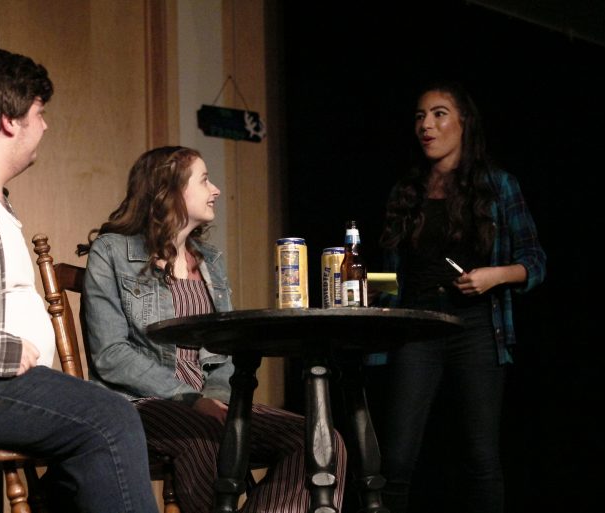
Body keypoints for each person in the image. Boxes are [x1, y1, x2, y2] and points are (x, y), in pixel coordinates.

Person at [0, 48, 159, 513]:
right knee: (108, 418)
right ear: (8, 121)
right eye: (39, 113)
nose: (45, 126)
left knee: (96, 434)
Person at [79, 145, 347, 513]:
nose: (216, 189)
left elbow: (227, 349)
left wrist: (218, 399)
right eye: (204, 180)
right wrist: (191, 399)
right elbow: (111, 355)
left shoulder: (210, 261)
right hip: (140, 403)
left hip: (207, 403)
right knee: (202, 434)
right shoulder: (111, 252)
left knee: (319, 440)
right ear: (170, 190)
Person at [377, 80, 546, 512]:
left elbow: (535, 261)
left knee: (480, 458)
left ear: (464, 122)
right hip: (417, 327)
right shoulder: (406, 190)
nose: (426, 125)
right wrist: (371, 306)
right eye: (420, 116)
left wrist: (494, 276)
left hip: (475, 327)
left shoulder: (498, 185)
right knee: (395, 459)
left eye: (439, 114)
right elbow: (389, 273)